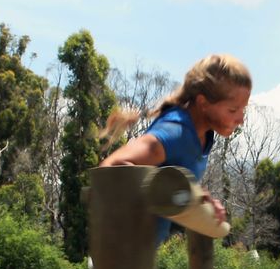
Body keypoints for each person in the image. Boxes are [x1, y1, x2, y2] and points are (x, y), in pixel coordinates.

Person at [100, 54, 251, 245]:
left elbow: (169, 174)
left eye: (242, 110)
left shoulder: (202, 135)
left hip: (142, 255)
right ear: (203, 103)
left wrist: (198, 196)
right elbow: (110, 168)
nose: (241, 119)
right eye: (232, 110)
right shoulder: (175, 132)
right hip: (121, 257)